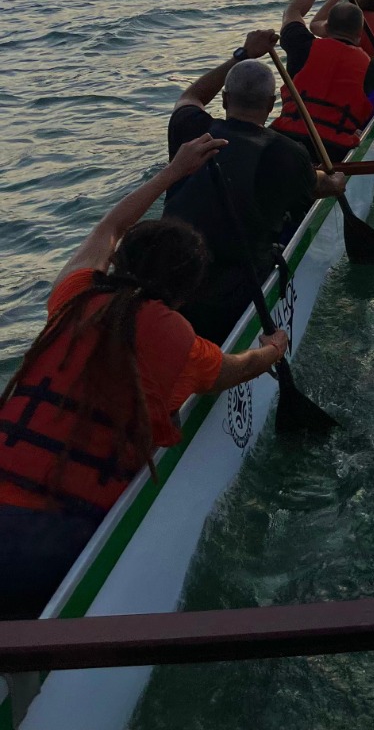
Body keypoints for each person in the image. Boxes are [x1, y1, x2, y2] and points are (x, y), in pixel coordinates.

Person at [0, 135, 288, 619]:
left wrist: (172, 172)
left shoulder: (73, 294)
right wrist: (274, 348)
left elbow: (110, 227)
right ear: (185, 292)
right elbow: (237, 368)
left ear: (120, 263)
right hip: (50, 543)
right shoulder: (177, 339)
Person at [164, 31, 345, 342]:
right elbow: (321, 185)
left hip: (166, 279)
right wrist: (336, 183)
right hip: (231, 298)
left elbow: (191, 96)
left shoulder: (190, 128)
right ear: (272, 105)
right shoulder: (288, 153)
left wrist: (243, 53)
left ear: (224, 99)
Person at [272, 0, 374, 159]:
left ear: (326, 29)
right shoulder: (372, 66)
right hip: (335, 150)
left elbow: (292, 11)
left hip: (287, 139)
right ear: (359, 36)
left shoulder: (301, 44)